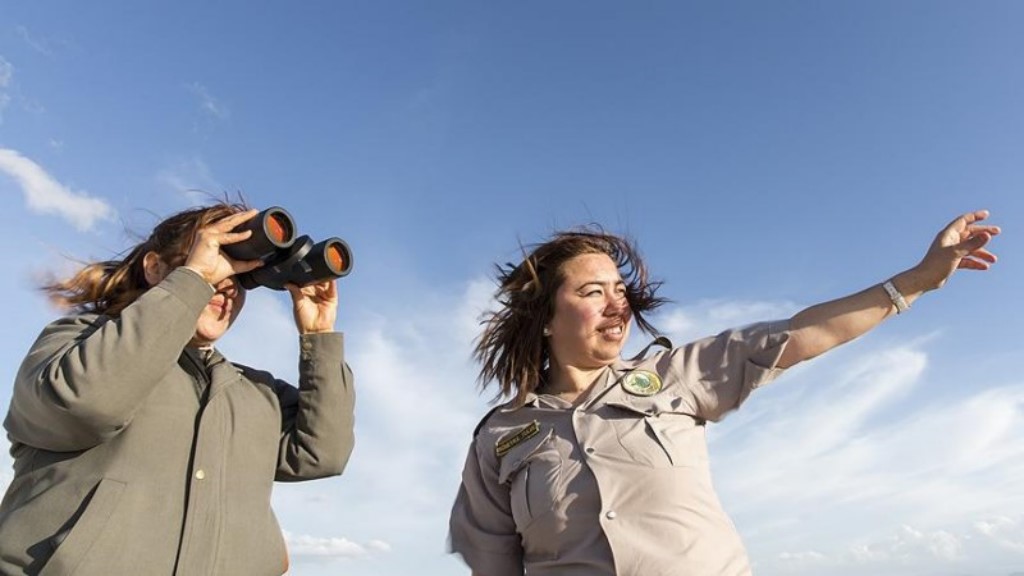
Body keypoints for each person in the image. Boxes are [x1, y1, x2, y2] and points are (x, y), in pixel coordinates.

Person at [448, 210, 1000, 576]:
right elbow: (495, 564)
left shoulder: (676, 375)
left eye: (621, 290)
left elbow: (801, 333)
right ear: (546, 319)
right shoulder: (498, 438)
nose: (618, 304)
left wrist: (918, 279)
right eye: (594, 291)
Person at [0, 203, 356, 576]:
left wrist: (318, 337)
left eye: (242, 276)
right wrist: (193, 281)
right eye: (215, 260)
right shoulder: (79, 341)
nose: (226, 285)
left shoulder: (254, 391)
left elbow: (322, 454)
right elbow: (84, 405)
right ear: (155, 268)